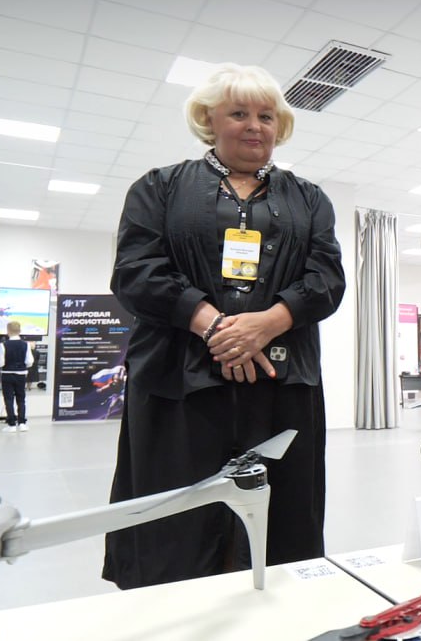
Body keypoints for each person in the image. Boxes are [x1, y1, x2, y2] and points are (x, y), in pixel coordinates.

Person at [103, 63, 345, 590]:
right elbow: (135, 272)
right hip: (178, 386)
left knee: (282, 521)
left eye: (266, 116)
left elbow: (327, 278)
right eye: (238, 113)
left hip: (281, 382)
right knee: (176, 525)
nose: (255, 125)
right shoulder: (159, 188)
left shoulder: (309, 199)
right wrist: (215, 326)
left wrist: (267, 324)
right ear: (208, 120)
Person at [0, 321, 34, 432]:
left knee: (8, 399)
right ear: (20, 331)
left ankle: (11, 424)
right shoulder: (26, 344)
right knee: (21, 398)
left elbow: (0, 363)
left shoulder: (4, 345)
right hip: (21, 374)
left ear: (7, 331)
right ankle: (22, 423)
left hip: (7, 374)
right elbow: (29, 362)